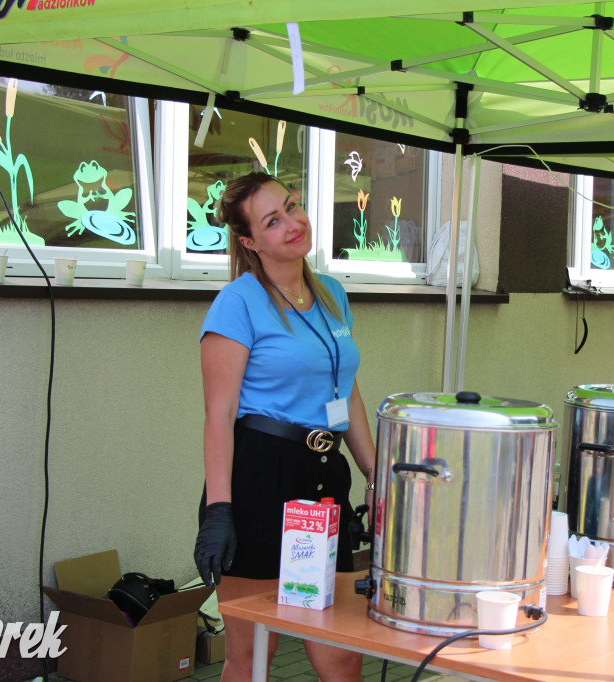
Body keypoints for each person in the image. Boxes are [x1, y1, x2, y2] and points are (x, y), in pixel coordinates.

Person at [193, 172, 377, 681]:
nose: (293, 223)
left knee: (340, 653)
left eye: (292, 207)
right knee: (253, 654)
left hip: (322, 478)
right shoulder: (239, 301)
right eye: (273, 220)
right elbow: (219, 415)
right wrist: (219, 510)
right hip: (259, 477)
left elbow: (347, 391)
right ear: (250, 241)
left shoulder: (332, 293)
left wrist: (375, 474)